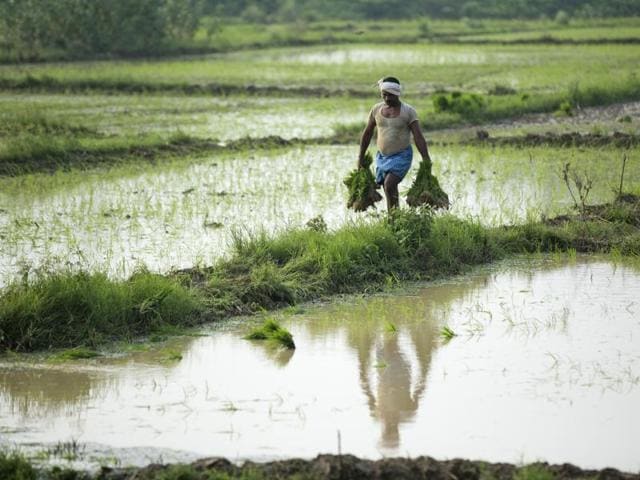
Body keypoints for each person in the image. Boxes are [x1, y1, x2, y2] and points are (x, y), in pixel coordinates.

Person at [358, 76, 433, 211]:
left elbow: (418, 137)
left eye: (390, 95)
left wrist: (426, 158)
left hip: (401, 156)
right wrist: (360, 158)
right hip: (382, 157)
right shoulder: (376, 110)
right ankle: (395, 217)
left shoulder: (408, 111)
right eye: (384, 95)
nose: (387, 99)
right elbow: (367, 134)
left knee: (389, 184)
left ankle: (393, 218)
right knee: (388, 187)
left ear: (397, 94)